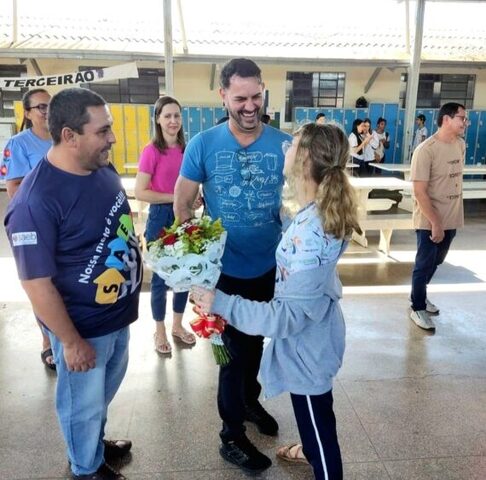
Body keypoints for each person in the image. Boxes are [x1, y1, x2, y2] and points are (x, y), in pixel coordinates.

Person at [191, 123, 361, 480]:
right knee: (310, 415)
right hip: (311, 340)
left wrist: (219, 301)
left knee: (318, 422)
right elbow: (305, 256)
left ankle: (319, 455)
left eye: (292, 145)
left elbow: (284, 318)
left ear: (305, 160)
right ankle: (309, 447)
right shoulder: (314, 213)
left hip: (309, 349)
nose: (284, 149)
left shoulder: (314, 231)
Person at [4, 87, 143, 480]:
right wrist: (69, 341)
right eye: (102, 131)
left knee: (99, 395)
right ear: (69, 136)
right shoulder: (35, 201)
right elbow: (35, 283)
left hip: (116, 314)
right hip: (81, 326)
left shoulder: (101, 168)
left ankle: (93, 444)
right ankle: (85, 467)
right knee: (80, 402)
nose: (112, 138)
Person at [174, 57, 291, 474]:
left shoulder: (283, 144)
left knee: (256, 345)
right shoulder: (203, 144)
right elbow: (183, 203)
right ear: (222, 95)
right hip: (221, 274)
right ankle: (231, 436)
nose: (249, 105)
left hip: (267, 268)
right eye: (240, 97)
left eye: (256, 96)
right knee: (230, 358)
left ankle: (249, 401)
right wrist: (193, 268)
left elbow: (302, 199)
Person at [134, 96, 196, 354]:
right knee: (160, 279)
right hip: (161, 216)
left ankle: (177, 325)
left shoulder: (188, 149)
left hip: (185, 216)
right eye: (167, 116)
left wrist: (193, 198)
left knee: (183, 276)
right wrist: (176, 197)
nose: (173, 121)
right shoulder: (151, 151)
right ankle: (159, 330)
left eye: (177, 116)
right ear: (158, 119)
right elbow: (140, 192)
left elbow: (193, 182)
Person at [1, 88, 55, 370]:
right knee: (41, 283)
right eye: (41, 107)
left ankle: (63, 333)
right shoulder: (19, 144)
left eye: (51, 106)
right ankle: (48, 341)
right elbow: (14, 190)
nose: (47, 111)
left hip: (66, 224)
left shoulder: (64, 137)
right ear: (28, 113)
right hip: (35, 224)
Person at [410, 102, 466, 331]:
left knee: (437, 261)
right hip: (430, 220)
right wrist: (435, 222)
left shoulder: (460, 145)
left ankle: (419, 293)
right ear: (446, 119)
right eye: (461, 118)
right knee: (424, 263)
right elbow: (419, 191)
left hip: (451, 217)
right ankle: (417, 306)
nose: (465, 123)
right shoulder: (426, 150)